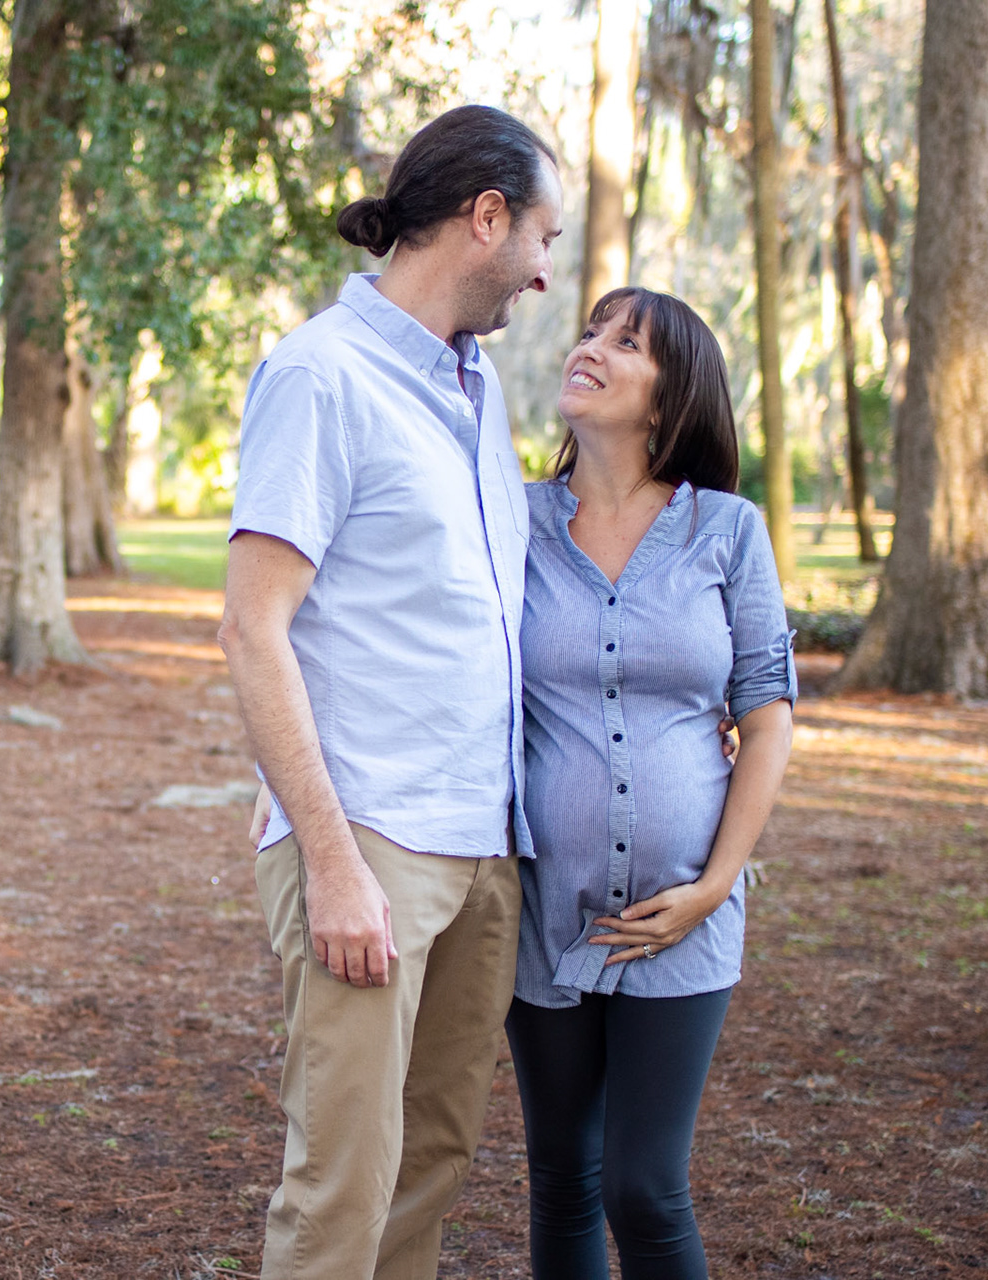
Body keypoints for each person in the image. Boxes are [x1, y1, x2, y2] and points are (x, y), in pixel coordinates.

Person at [218, 104, 562, 1280]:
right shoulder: (320, 374)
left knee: (429, 1167)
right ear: (486, 217)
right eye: (543, 237)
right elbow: (253, 625)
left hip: (482, 846)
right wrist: (329, 859)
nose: (546, 272)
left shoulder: (481, 390)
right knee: (343, 1189)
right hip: (366, 841)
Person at [506, 287, 795, 1279]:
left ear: (671, 395)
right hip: (546, 911)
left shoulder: (728, 531)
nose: (590, 348)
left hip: (685, 914)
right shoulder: (515, 521)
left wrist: (715, 885)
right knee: (563, 1175)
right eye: (591, 331)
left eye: (625, 341)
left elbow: (768, 716)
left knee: (645, 1186)